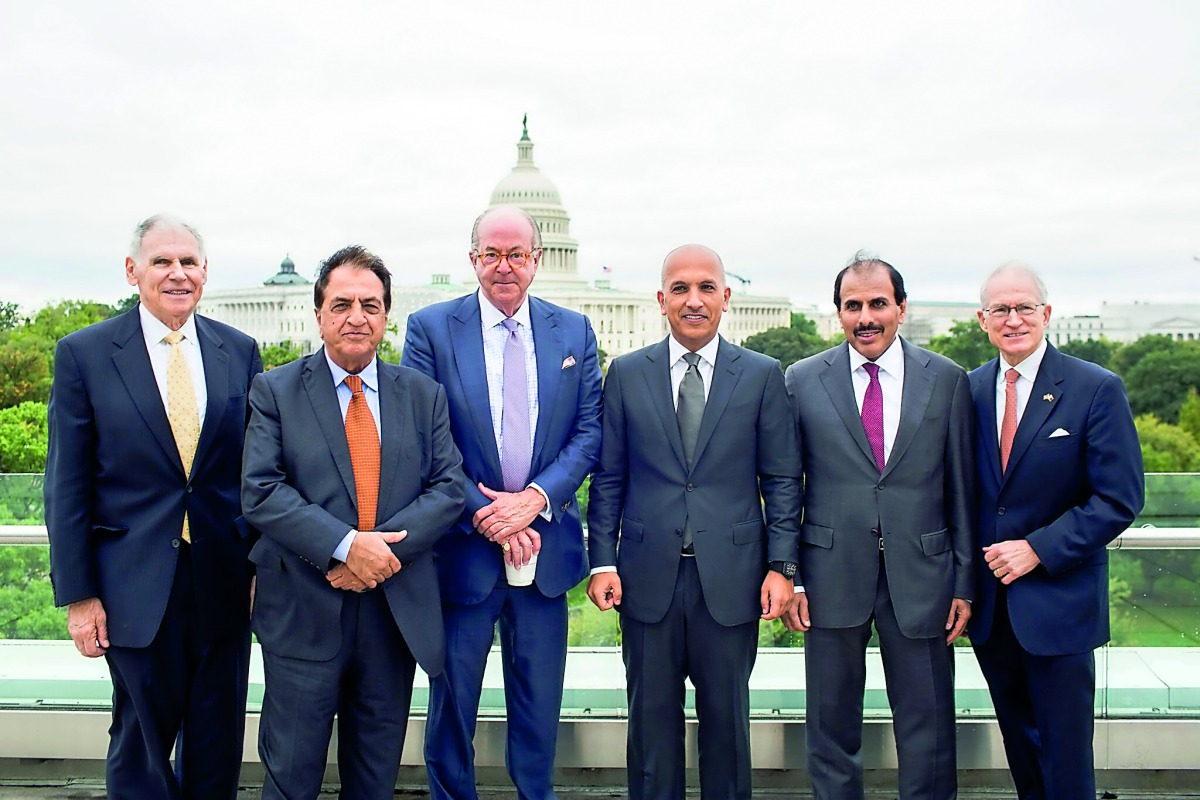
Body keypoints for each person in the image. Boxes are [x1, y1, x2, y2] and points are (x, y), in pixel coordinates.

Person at [44, 214, 262, 799]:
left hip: (222, 581)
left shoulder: (238, 351)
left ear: (205, 272)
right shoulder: (84, 355)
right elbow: (66, 484)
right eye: (163, 261)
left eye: (189, 262)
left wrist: (259, 565)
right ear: (132, 270)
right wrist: (79, 595)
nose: (177, 274)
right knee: (140, 745)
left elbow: (255, 473)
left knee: (217, 743)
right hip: (130, 585)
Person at [241, 245, 464, 799]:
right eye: (341, 304)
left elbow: (449, 489)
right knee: (291, 778)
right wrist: (344, 547)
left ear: (387, 316)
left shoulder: (422, 394)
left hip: (393, 617)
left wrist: (377, 557)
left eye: (370, 304)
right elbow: (262, 491)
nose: (356, 317)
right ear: (319, 314)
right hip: (303, 611)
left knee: (374, 780)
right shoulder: (276, 390)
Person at [586, 244, 800, 799]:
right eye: (680, 289)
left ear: (726, 298)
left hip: (730, 580)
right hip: (644, 577)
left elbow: (780, 481)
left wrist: (783, 567)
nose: (694, 300)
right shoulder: (627, 374)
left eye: (706, 287)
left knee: (727, 728)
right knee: (650, 730)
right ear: (662, 300)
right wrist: (602, 561)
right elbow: (609, 477)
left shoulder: (760, 375)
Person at [402, 206, 602, 800]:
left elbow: (588, 431)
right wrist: (488, 514)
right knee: (453, 707)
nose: (504, 266)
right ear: (473, 260)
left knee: (540, 705)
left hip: (547, 549)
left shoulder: (574, 331)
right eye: (491, 253)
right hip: (464, 552)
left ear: (538, 260)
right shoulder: (431, 328)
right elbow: (424, 435)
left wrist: (534, 500)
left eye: (517, 254)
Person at [782, 252, 975, 800]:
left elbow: (961, 489)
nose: (865, 317)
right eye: (853, 306)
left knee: (928, 727)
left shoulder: (947, 379)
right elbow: (784, 487)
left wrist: (965, 582)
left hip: (924, 578)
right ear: (838, 313)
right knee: (830, 723)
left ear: (901, 308)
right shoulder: (801, 379)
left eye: (877, 304)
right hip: (827, 577)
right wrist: (791, 574)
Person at [968, 263, 1143, 800]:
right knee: (1021, 750)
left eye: (1024, 307)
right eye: (1001, 309)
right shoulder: (968, 391)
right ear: (983, 320)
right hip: (992, 610)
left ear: (1046, 314)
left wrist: (1037, 550)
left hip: (1061, 603)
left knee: (1066, 758)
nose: (1013, 319)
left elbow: (1119, 498)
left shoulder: (1095, 388)